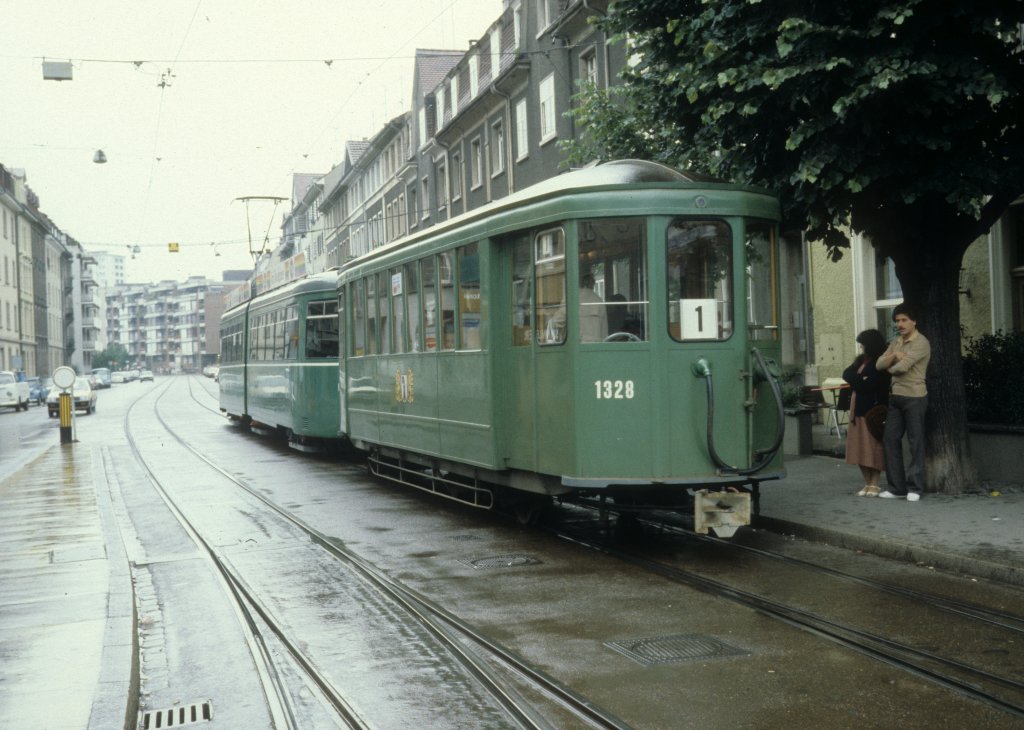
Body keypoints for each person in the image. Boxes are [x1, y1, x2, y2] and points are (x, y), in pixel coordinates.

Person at [876, 303, 931, 501]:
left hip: (915, 397)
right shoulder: (896, 342)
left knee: (916, 442)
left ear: (914, 321)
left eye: (904, 320)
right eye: (897, 320)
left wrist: (890, 365)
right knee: (890, 439)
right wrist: (894, 356)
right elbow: (878, 363)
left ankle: (915, 488)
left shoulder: (921, 343)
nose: (900, 324)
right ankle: (896, 488)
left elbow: (901, 368)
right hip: (896, 397)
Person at [842, 329, 891, 496]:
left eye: (863, 345)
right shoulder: (861, 361)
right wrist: (860, 381)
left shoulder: (880, 363)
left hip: (872, 412)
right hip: (856, 411)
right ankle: (867, 483)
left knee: (873, 448)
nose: (861, 348)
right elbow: (846, 373)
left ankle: (874, 483)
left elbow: (868, 386)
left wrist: (858, 382)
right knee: (858, 448)